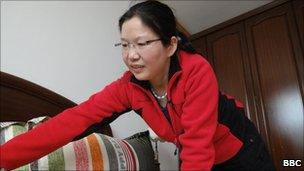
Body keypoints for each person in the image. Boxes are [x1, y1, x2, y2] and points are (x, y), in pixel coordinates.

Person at [0, 1, 275, 170]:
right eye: (125, 45)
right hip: (202, 159)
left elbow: (197, 147)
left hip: (239, 149)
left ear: (171, 45)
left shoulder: (196, 70)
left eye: (142, 44)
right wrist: (4, 158)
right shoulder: (127, 88)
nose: (131, 55)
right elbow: (73, 121)